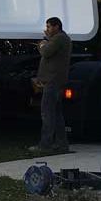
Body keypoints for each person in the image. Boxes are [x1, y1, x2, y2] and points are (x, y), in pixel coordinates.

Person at [31, 16, 72, 154]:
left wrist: (42, 44)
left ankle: (45, 144)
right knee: (56, 114)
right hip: (55, 82)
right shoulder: (60, 39)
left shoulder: (59, 38)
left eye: (49, 26)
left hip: (53, 83)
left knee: (47, 113)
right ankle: (62, 144)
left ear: (56, 27)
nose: (46, 29)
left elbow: (46, 51)